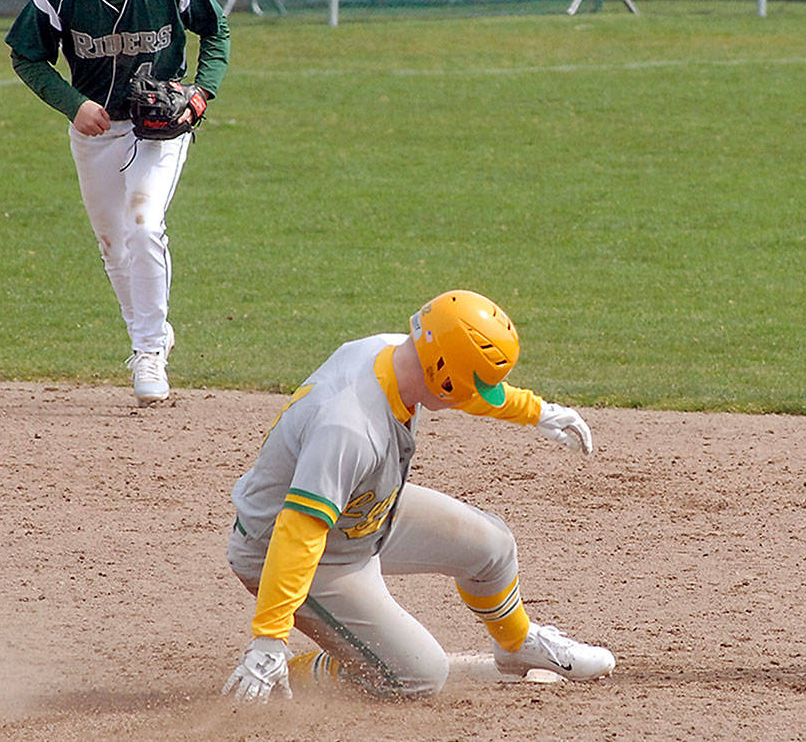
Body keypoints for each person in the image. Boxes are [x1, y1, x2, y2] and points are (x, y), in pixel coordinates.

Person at [221, 290, 615, 702]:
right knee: (419, 675)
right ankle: (289, 674)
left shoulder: (398, 352)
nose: (472, 395)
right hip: (291, 551)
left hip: (359, 511)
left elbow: (463, 387)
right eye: (470, 386)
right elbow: (298, 532)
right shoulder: (349, 427)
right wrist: (270, 637)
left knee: (492, 546)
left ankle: (517, 645)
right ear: (444, 377)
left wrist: (536, 411)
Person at [5, 0, 230, 405]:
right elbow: (25, 55)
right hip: (97, 130)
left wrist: (202, 91)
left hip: (159, 128)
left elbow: (216, 29)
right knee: (114, 246)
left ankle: (148, 350)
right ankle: (150, 333)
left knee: (144, 225)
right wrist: (73, 104)